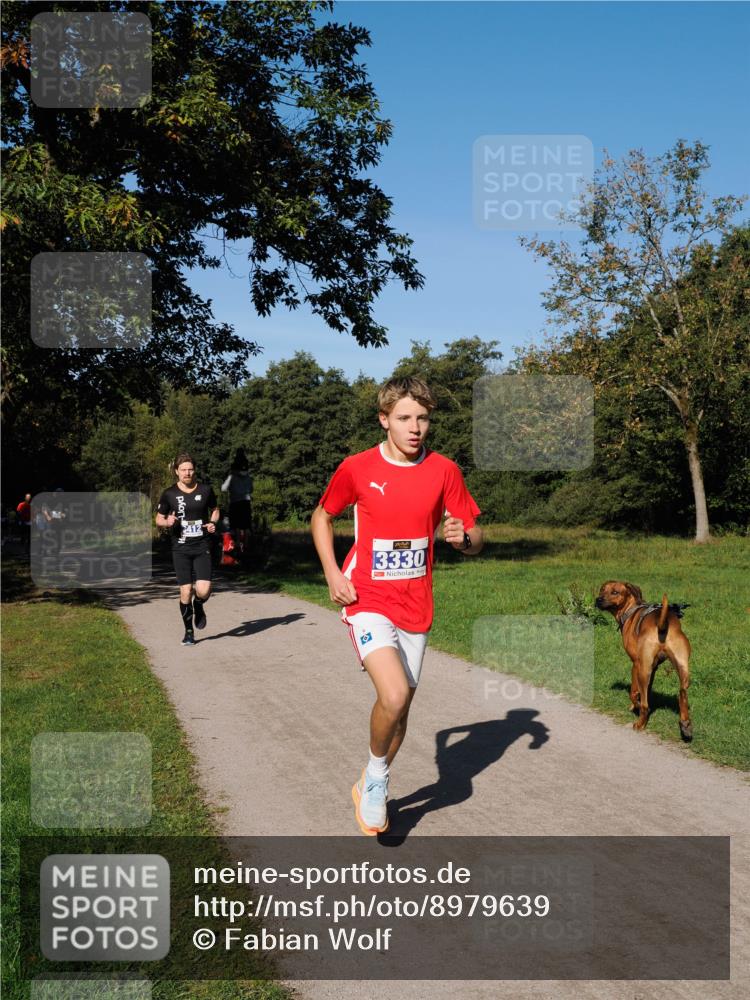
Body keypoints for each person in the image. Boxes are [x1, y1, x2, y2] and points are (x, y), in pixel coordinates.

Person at [311, 376, 483, 835]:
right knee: (393, 694)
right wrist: (332, 573)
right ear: (384, 419)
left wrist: (463, 539)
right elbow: (322, 516)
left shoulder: (445, 470)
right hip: (366, 595)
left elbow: (475, 535)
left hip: (416, 603)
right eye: (405, 418)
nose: (415, 428)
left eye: (423, 418)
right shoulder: (357, 467)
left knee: (400, 709)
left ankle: (373, 776)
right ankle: (377, 777)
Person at [156, 454, 219, 646]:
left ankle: (198, 605)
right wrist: (167, 522)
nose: (187, 473)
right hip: (180, 548)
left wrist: (212, 523)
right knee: (185, 591)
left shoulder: (206, 490)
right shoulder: (169, 494)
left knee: (204, 590)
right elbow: (158, 518)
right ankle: (189, 632)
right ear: (176, 471)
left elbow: (215, 510)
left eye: (190, 469)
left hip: (201, 546)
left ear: (194, 470)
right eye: (183, 469)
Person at [222, 450, 253, 559]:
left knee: (235, 526)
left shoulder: (232, 477)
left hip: (235, 502)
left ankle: (237, 548)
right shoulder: (249, 477)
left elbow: (223, 488)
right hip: (246, 503)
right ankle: (247, 548)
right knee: (246, 527)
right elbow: (251, 489)